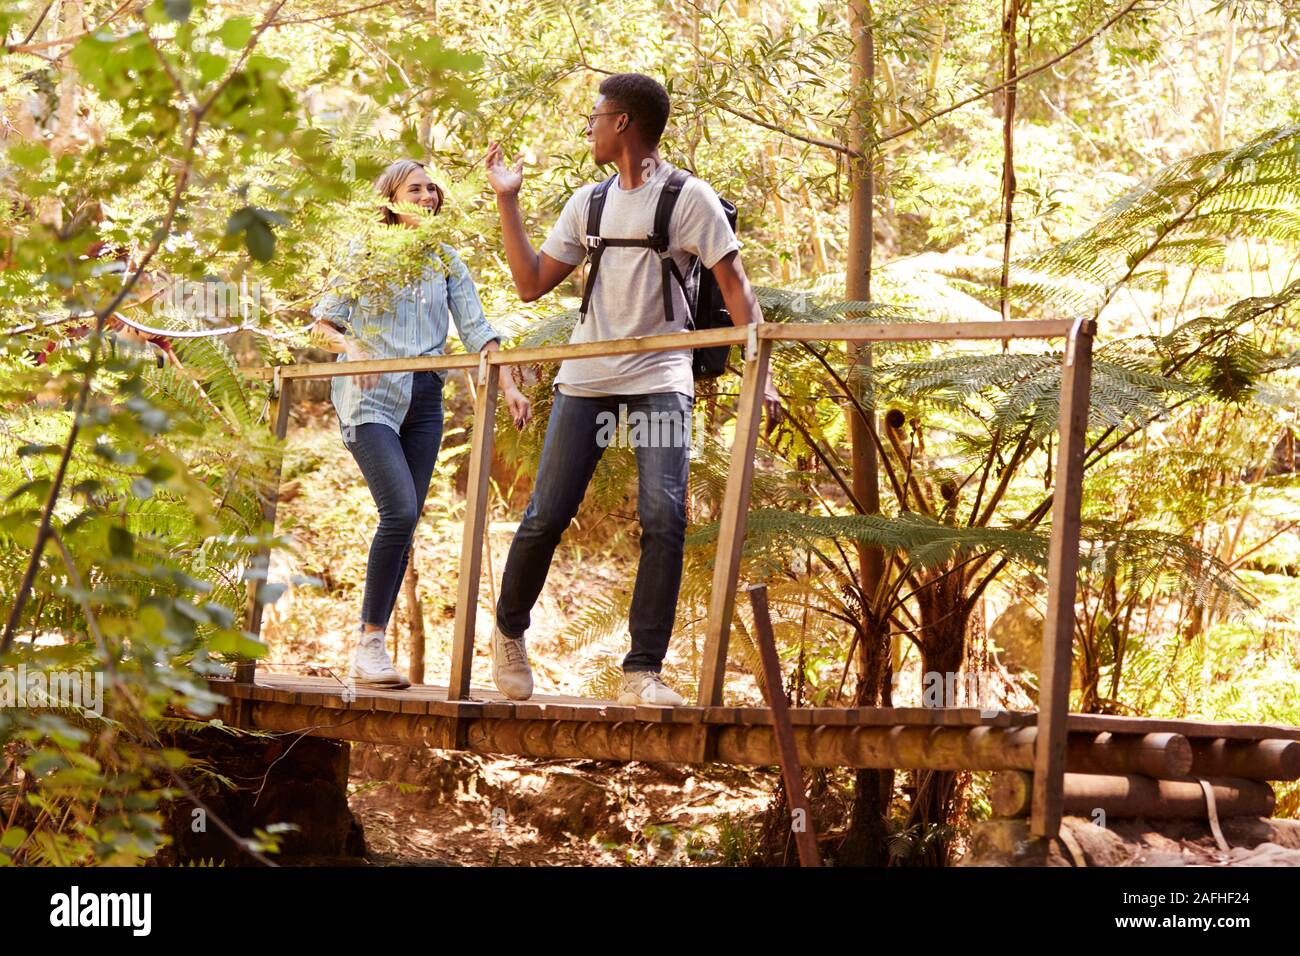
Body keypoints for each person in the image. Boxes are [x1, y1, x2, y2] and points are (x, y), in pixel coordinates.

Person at [484, 73, 780, 706]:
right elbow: (531, 283)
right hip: (586, 381)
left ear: (622, 123)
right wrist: (508, 201)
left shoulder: (688, 198)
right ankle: (508, 633)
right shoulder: (587, 203)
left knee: (663, 516)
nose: (588, 127)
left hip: (660, 380)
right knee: (545, 515)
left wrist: (767, 372)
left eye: (595, 116)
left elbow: (736, 287)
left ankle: (641, 672)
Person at [311, 159, 532, 688]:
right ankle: (368, 645)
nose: (430, 195)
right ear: (391, 199)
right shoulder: (363, 253)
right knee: (401, 509)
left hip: (424, 401)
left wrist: (508, 383)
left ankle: (373, 648)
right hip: (370, 398)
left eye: (433, 188)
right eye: (417, 188)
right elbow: (321, 325)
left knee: (405, 520)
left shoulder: (447, 260)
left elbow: (478, 328)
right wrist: (352, 346)